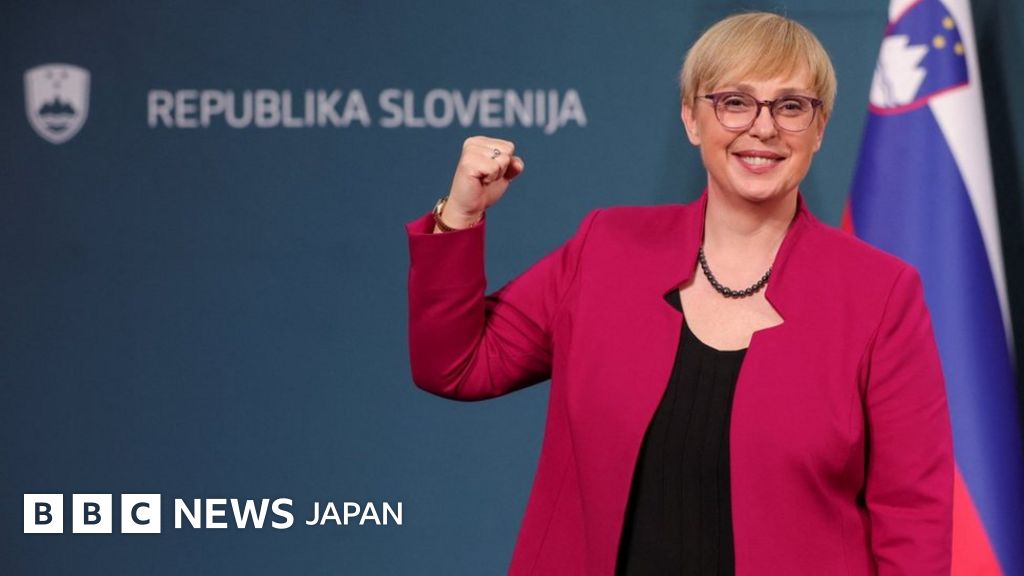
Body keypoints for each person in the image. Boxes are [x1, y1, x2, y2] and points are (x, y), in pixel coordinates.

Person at [406, 12, 952, 576]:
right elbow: (456, 365)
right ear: (692, 118)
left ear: (818, 129)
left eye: (791, 106)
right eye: (735, 102)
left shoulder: (880, 294)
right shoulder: (606, 249)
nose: (763, 128)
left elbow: (913, 516)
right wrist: (461, 215)